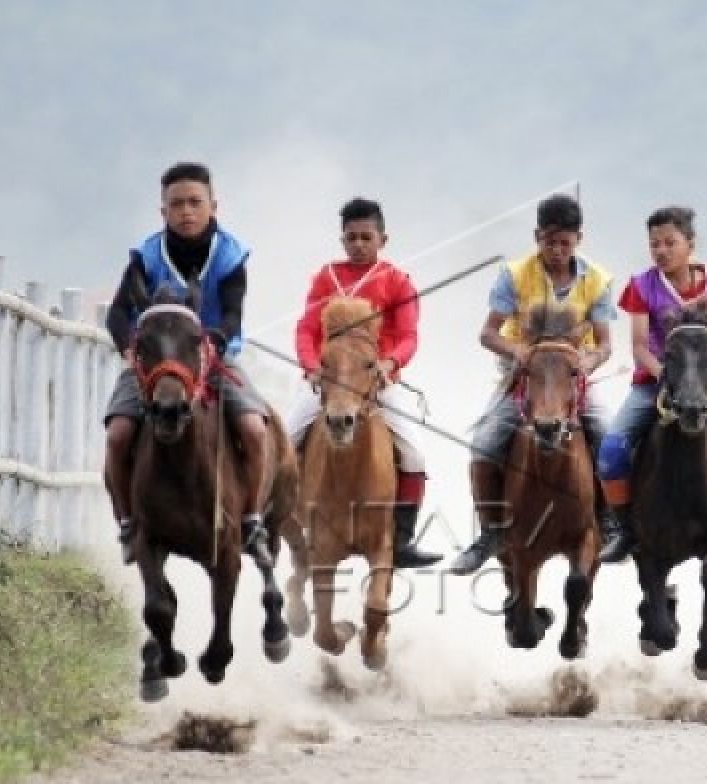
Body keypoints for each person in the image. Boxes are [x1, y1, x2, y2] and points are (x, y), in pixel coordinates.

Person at [102, 161, 274, 566]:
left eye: (195, 202)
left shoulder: (230, 255)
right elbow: (117, 314)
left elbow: (233, 313)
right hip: (155, 366)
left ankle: (250, 518)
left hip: (213, 359)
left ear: (214, 206)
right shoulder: (145, 256)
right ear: (163, 211)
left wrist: (212, 342)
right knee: (119, 435)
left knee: (253, 427)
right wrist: (128, 347)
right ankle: (128, 522)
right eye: (176, 204)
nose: (186, 212)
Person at [450, 193, 618, 575]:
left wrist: (587, 362)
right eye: (549, 241)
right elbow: (488, 333)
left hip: (573, 378)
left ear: (579, 240)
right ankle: (490, 533)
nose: (557, 250)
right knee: (484, 442)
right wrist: (517, 352)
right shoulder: (515, 274)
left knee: (608, 435)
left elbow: (605, 344)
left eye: (565, 242)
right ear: (537, 237)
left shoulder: (598, 280)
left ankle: (609, 522)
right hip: (523, 376)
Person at [596, 205, 707, 566]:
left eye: (669, 243)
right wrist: (666, 377)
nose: (660, 250)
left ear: (690, 244)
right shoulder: (642, 286)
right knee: (611, 451)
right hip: (654, 386)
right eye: (654, 244)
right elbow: (640, 345)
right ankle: (626, 532)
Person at [288, 197, 442, 569]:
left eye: (365, 237)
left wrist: (391, 361)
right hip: (327, 380)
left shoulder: (397, 280)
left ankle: (402, 540)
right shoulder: (326, 277)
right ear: (342, 240)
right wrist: (310, 366)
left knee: (415, 454)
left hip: (378, 382)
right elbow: (307, 329)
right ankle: (278, 521)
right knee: (286, 438)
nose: (358, 244)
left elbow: (408, 336)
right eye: (351, 237)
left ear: (382, 239)